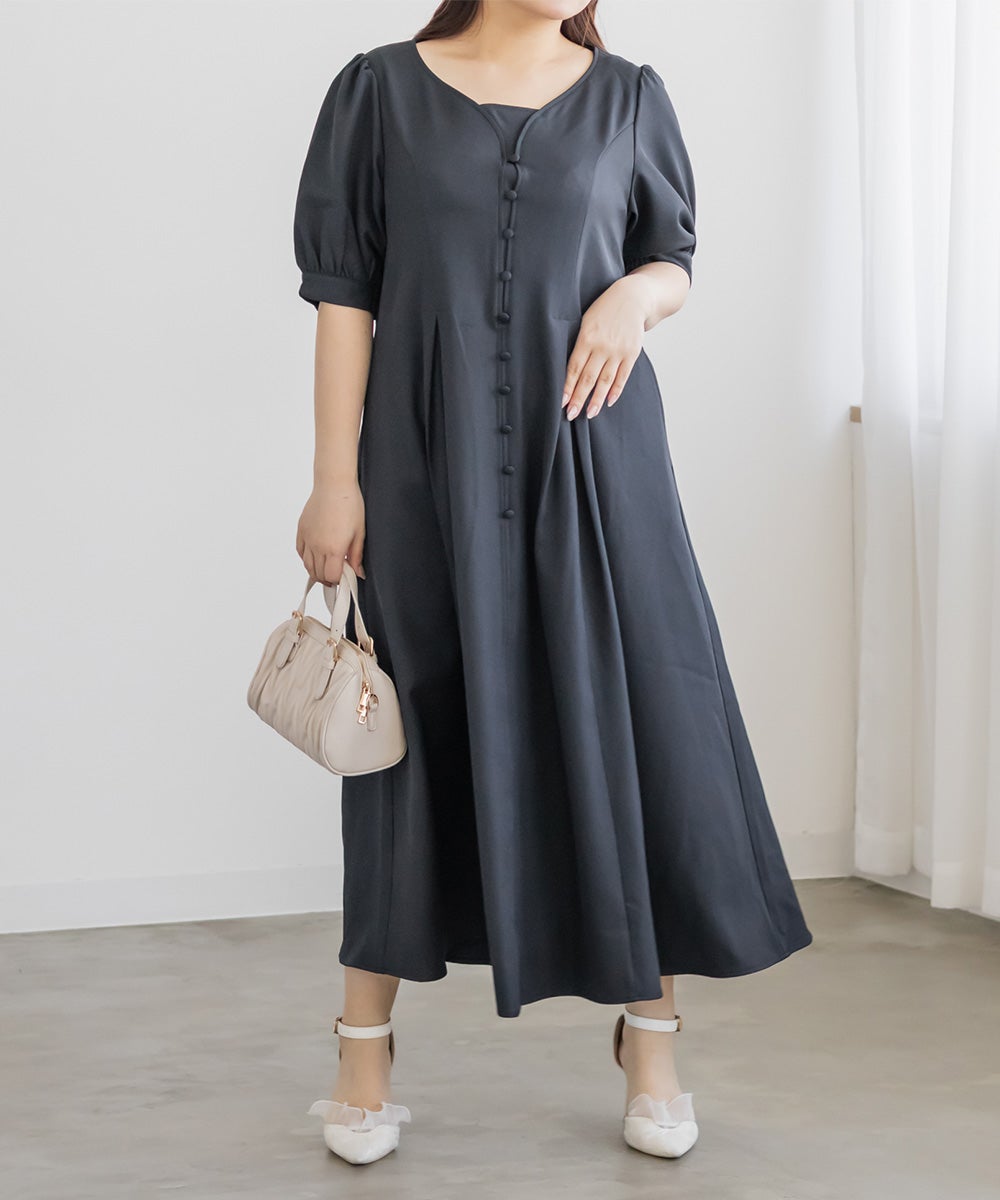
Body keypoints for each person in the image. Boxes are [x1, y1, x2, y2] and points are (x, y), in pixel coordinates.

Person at [293, 0, 813, 1166]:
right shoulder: (378, 93)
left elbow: (670, 260)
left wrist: (636, 295)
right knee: (405, 744)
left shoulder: (629, 98)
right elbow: (343, 295)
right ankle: (362, 1055)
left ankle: (651, 1041)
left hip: (597, 468)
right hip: (420, 475)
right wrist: (334, 480)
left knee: (634, 730)